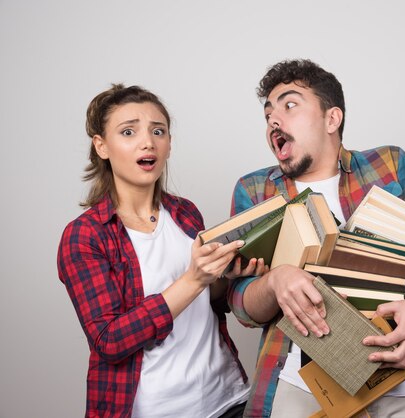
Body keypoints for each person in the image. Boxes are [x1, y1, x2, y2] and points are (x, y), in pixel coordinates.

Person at [227, 59, 405, 418]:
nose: (274, 121)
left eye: (289, 105)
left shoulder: (388, 164)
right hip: (303, 384)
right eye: (268, 115)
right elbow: (242, 306)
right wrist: (276, 281)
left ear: (332, 119)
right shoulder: (253, 189)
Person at [57, 84, 261, 418]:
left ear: (168, 144)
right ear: (102, 146)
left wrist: (224, 278)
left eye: (158, 131)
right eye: (128, 131)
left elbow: (209, 304)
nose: (147, 141)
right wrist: (194, 279)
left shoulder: (185, 213)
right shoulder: (84, 236)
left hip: (228, 399)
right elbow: (109, 341)